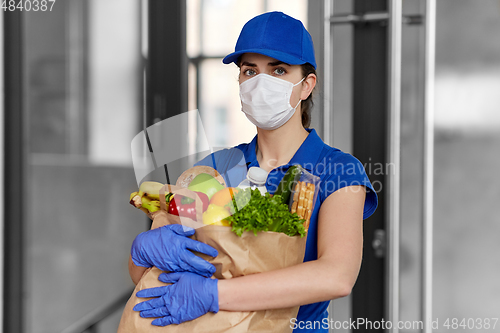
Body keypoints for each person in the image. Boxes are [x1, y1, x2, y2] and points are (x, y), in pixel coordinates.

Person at [128, 11, 378, 332]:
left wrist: (213, 293)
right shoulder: (218, 168)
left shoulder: (337, 170)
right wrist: (143, 253)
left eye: (279, 70)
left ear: (306, 86)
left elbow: (336, 276)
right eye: (250, 70)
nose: (261, 83)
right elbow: (146, 278)